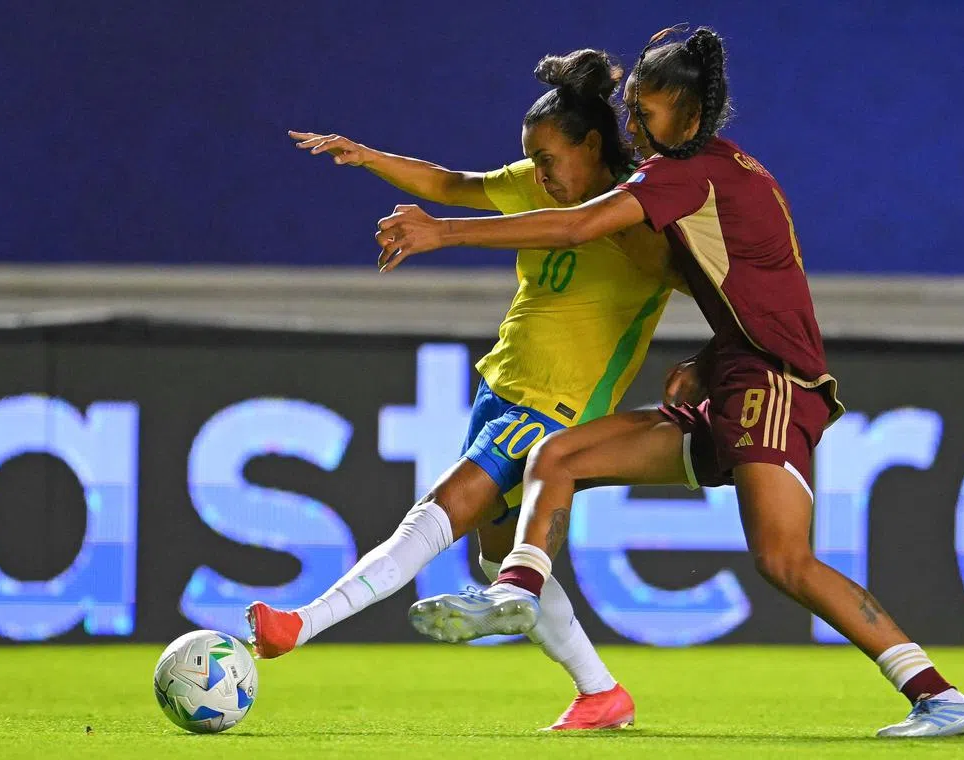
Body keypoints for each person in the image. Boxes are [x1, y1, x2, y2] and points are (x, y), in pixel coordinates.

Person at [380, 26, 964, 740]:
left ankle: (941, 697)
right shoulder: (719, 171)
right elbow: (757, 285)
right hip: (736, 375)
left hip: (773, 384)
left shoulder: (682, 175)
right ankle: (515, 589)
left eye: (648, 113)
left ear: (692, 117)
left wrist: (443, 234)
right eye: (632, 109)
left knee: (783, 561)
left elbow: (579, 229)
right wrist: (709, 359)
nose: (634, 126)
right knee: (560, 455)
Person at [248, 48, 688, 730]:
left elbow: (593, 238)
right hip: (503, 386)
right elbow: (452, 182)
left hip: (556, 406)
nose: (538, 176)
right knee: (497, 561)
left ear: (593, 144)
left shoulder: (634, 213)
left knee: (441, 509)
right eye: (532, 163)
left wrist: (441, 235)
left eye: (548, 160)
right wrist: (367, 156)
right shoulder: (541, 189)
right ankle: (601, 694)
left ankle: (300, 625)